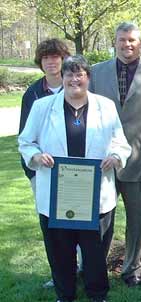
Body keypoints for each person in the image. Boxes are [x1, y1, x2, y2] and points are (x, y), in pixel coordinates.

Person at [18, 55, 131, 302]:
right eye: (69, 74)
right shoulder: (43, 107)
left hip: (96, 190)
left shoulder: (106, 106)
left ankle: (97, 292)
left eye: (79, 74)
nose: (74, 79)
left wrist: (115, 156)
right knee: (60, 246)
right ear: (63, 77)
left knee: (94, 247)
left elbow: (121, 142)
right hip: (57, 191)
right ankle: (64, 294)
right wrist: (35, 155)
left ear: (88, 78)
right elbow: (26, 141)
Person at [89, 22, 141, 287]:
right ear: (114, 41)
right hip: (103, 160)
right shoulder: (95, 73)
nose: (127, 44)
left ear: (140, 43)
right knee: (99, 218)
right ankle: (93, 266)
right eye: (122, 39)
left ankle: (131, 269)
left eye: (132, 40)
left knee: (138, 219)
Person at [18, 38, 73, 289]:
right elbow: (25, 136)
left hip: (74, 172)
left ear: (63, 59)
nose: (51, 62)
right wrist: (33, 170)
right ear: (40, 62)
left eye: (55, 57)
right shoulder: (33, 93)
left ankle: (82, 269)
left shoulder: (74, 87)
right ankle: (58, 273)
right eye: (45, 58)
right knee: (52, 226)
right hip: (43, 172)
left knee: (78, 223)